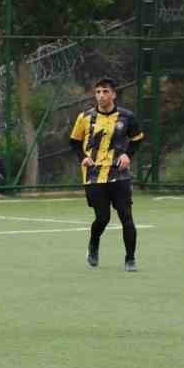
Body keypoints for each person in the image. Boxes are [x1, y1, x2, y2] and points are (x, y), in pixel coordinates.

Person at [69, 78, 145, 271]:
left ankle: (130, 259)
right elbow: (75, 142)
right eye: (98, 92)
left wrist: (128, 155)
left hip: (119, 174)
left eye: (105, 91)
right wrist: (83, 158)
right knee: (102, 218)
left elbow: (137, 139)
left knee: (126, 217)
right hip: (94, 175)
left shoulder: (127, 117)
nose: (101, 95)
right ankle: (93, 245)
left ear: (113, 94)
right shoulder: (85, 117)